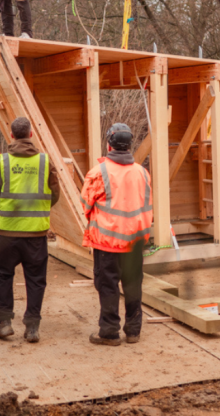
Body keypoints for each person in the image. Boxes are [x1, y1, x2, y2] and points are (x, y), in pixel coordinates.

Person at [80, 123, 153, 346]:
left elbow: (85, 204)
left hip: (108, 243)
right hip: (135, 242)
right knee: (133, 286)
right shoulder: (142, 172)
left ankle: (109, 332)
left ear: (109, 143)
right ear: (130, 144)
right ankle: (133, 331)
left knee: (107, 286)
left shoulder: (98, 172)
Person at [0, 117, 60, 343]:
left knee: (2, 276)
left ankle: (3, 324)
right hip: (36, 235)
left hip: (7, 233)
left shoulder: (2, 161)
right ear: (31, 135)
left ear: (12, 135)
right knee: (36, 279)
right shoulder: (44, 161)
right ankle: (32, 328)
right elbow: (55, 194)